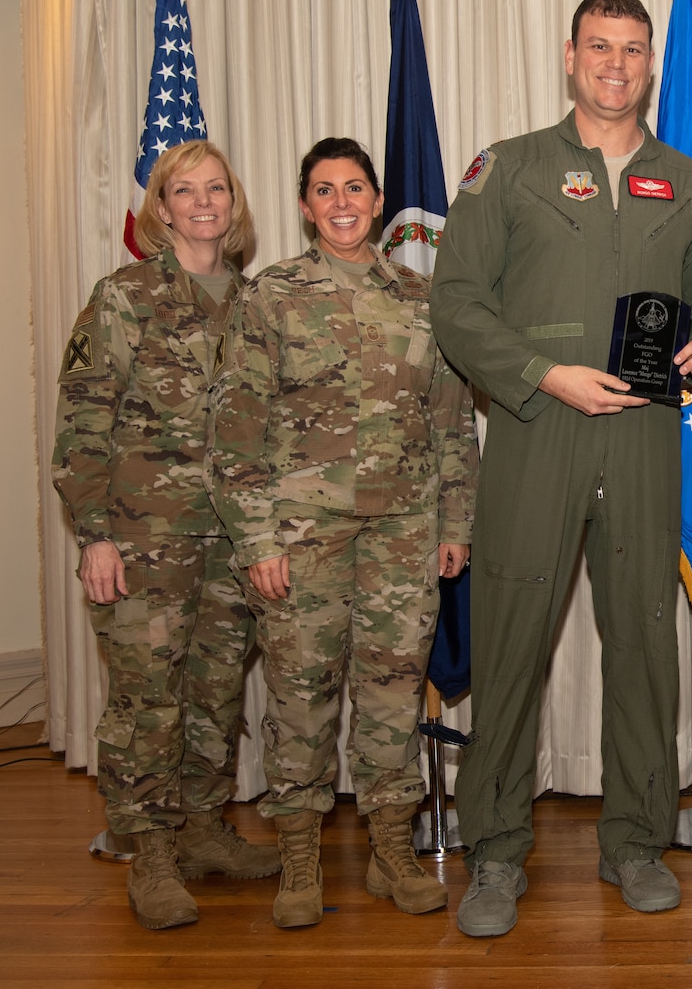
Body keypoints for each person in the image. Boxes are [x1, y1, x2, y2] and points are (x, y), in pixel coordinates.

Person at [430, 0, 692, 938]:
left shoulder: (686, 181)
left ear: (651, 65)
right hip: (537, 433)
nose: (616, 64)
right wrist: (542, 374)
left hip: (644, 439)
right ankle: (493, 851)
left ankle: (638, 841)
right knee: (513, 641)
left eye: (633, 50)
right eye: (599, 47)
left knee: (647, 645)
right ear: (569, 56)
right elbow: (455, 304)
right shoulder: (511, 169)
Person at [207, 137, 479, 929]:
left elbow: (451, 424)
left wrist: (454, 520)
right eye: (323, 191)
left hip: (402, 535)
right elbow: (235, 432)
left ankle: (392, 847)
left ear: (377, 197)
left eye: (354, 187)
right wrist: (257, 541)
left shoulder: (420, 298)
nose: (341, 203)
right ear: (303, 205)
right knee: (301, 697)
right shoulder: (271, 298)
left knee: (393, 695)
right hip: (302, 538)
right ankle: (299, 855)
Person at [53, 139, 278, 930]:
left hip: (231, 537)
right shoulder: (124, 298)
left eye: (217, 188)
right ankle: (148, 849)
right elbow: (82, 421)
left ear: (234, 202)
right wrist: (94, 537)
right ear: (162, 206)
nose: (205, 202)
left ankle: (204, 829)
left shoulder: (258, 302)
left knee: (216, 691)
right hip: (145, 537)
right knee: (149, 698)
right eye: (186, 191)